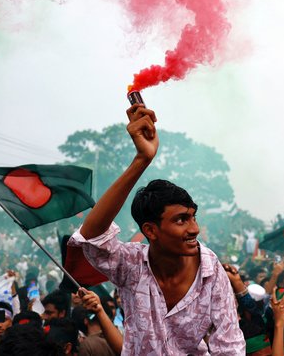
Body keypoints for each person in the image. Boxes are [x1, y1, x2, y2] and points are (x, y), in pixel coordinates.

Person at [69, 103, 245, 354]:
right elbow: (91, 237)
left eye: (193, 217)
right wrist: (142, 159)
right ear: (150, 230)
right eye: (181, 220)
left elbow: (229, 347)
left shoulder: (211, 272)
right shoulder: (131, 264)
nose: (194, 229)